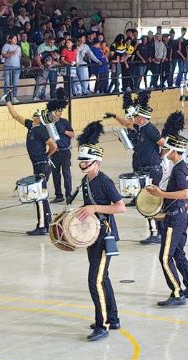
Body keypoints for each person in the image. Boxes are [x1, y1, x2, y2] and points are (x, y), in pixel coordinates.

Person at [145, 114, 188, 307]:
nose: (163, 150)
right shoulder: (187, 167)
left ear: (174, 151)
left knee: (165, 257)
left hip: (174, 220)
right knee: (178, 254)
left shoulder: (179, 170)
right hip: (182, 217)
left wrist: (161, 193)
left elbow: (183, 193)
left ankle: (177, 292)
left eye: (166, 148)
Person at [74, 121, 125, 341]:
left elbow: (120, 207)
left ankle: (102, 325)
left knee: (94, 280)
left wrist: (95, 207)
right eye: (81, 160)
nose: (82, 164)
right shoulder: (85, 181)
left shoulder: (105, 182)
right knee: (102, 278)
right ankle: (112, 318)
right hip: (93, 237)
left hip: (105, 237)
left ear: (97, 162)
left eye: (86, 161)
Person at [107, 91, 164, 244]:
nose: (134, 118)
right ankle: (157, 231)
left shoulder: (150, 129)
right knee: (148, 200)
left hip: (152, 168)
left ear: (142, 118)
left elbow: (164, 144)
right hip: (143, 168)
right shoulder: (139, 128)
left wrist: (160, 157)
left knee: (151, 201)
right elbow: (127, 124)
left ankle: (156, 232)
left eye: (136, 116)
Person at [6, 103, 57, 235]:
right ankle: (46, 223)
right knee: (41, 195)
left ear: (39, 118)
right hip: (37, 165)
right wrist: (8, 102)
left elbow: (53, 146)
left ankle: (42, 226)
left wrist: (46, 156)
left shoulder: (41, 130)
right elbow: (15, 115)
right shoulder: (31, 126)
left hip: (43, 165)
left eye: (36, 115)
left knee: (39, 195)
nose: (33, 116)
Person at [47, 94, 74, 204]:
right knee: (55, 174)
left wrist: (64, 131)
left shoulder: (64, 122)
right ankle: (59, 195)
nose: (60, 113)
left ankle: (68, 194)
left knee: (66, 173)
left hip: (65, 151)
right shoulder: (49, 124)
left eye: (61, 110)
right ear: (53, 112)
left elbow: (73, 134)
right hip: (55, 152)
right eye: (58, 110)